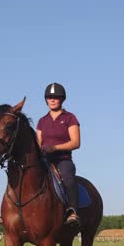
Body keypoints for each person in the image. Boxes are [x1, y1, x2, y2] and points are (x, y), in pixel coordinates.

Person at [36, 82, 81, 228]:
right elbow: (38, 143)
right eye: (49, 97)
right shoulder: (42, 121)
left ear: (62, 99)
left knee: (68, 177)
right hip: (44, 160)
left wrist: (55, 147)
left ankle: (73, 211)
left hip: (62, 160)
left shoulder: (70, 118)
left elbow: (75, 142)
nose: (52, 99)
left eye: (56, 97)